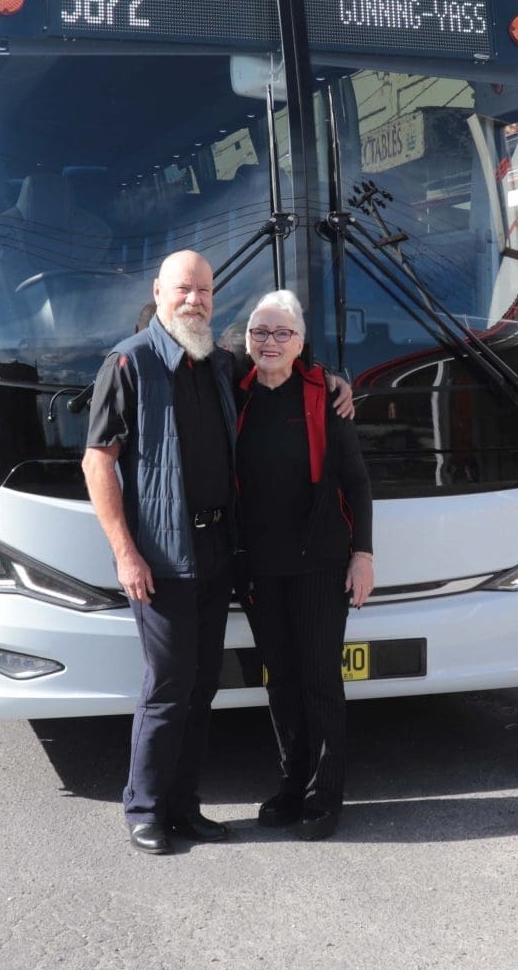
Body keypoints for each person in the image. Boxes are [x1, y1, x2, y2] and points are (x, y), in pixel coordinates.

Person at [81, 253, 356, 855]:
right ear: (158, 292)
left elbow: (281, 356)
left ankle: (183, 807)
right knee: (169, 687)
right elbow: (97, 462)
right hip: (161, 558)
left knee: (202, 687)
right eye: (184, 289)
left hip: (217, 553)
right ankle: (146, 808)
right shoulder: (128, 364)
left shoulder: (215, 363)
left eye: (205, 290)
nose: (195, 299)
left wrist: (335, 378)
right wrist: (126, 554)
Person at [233, 289, 374, 841]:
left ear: (300, 343)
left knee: (319, 679)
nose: (268, 342)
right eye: (259, 332)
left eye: (281, 333)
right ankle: (291, 786)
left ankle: (325, 796)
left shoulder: (324, 395)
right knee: (280, 682)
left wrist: (362, 554)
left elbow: (357, 482)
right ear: (245, 340)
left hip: (319, 563)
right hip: (258, 567)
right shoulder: (234, 390)